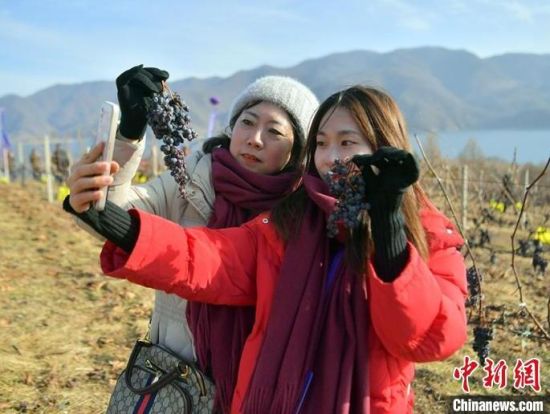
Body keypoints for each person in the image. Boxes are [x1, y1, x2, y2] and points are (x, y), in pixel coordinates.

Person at [65, 85, 467, 413]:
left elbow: (429, 338)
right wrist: (124, 228)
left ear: (383, 146)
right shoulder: (290, 221)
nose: (331, 158)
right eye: (322, 143)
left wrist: (391, 236)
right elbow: (210, 257)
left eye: (347, 142)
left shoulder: (428, 234)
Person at [66, 65, 318, 412]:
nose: (254, 138)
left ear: (298, 150)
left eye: (274, 131)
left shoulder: (302, 215)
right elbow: (113, 215)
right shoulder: (192, 181)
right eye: (247, 122)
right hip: (178, 381)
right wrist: (128, 136)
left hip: (261, 387)